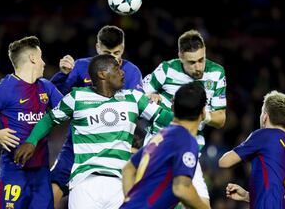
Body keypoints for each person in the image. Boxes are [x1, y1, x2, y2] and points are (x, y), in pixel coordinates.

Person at [14, 54, 173, 209]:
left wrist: (190, 113)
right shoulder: (77, 97)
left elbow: (165, 118)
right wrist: (31, 141)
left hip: (119, 184)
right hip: (84, 184)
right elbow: (49, 119)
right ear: (102, 74)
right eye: (117, 69)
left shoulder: (134, 98)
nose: (123, 73)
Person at [49, 25, 143, 208]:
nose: (112, 58)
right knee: (53, 188)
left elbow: (138, 110)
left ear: (123, 48)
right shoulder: (81, 67)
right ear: (97, 48)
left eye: (117, 52)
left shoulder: (131, 73)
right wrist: (62, 75)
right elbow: (54, 99)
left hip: (116, 147)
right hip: (78, 146)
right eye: (107, 52)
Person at [0, 36, 63, 209]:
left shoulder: (46, 87)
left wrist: (68, 76)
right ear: (33, 58)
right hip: (13, 172)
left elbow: (69, 109)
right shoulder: (3, 89)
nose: (44, 63)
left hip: (41, 174)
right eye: (41, 57)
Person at [142, 29, 226, 205]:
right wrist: (150, 96)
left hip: (191, 147)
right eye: (192, 62)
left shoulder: (216, 73)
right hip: (160, 144)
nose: (198, 67)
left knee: (202, 204)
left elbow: (221, 119)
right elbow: (139, 92)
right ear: (180, 56)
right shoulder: (166, 70)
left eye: (201, 60)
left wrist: (202, 115)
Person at [120, 82, 209, 209]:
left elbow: (128, 169)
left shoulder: (162, 136)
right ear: (203, 112)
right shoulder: (186, 140)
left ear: (173, 106)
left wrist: (132, 202)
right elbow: (181, 188)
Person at [219, 90, 285, 209]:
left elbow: (224, 162)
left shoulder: (265, 135)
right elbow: (279, 195)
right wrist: (246, 196)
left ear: (265, 116)